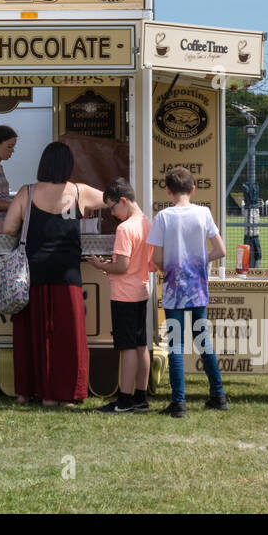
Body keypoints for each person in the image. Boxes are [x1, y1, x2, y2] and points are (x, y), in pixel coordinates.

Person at [2, 141, 106, 406]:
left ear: (43, 164)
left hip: (32, 273)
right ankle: (65, 393)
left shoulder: (27, 192)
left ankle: (29, 392)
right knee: (67, 337)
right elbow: (113, 198)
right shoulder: (79, 192)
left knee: (31, 336)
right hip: (67, 273)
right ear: (68, 165)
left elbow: (8, 228)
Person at [148, 166, 228, 418]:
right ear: (193, 189)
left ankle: (178, 402)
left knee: (176, 345)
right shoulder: (203, 213)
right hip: (198, 290)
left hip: (173, 290)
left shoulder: (163, 217)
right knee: (203, 342)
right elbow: (220, 250)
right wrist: (201, 261)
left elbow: (157, 257)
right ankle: (218, 395)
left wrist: (169, 269)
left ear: (169, 192)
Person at [87, 177, 155, 413]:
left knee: (127, 348)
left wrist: (101, 265)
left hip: (124, 294)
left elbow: (122, 267)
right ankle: (140, 396)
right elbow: (147, 262)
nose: (113, 214)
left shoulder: (125, 228)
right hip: (141, 290)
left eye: (113, 207)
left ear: (124, 201)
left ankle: (124, 400)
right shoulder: (147, 222)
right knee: (140, 345)